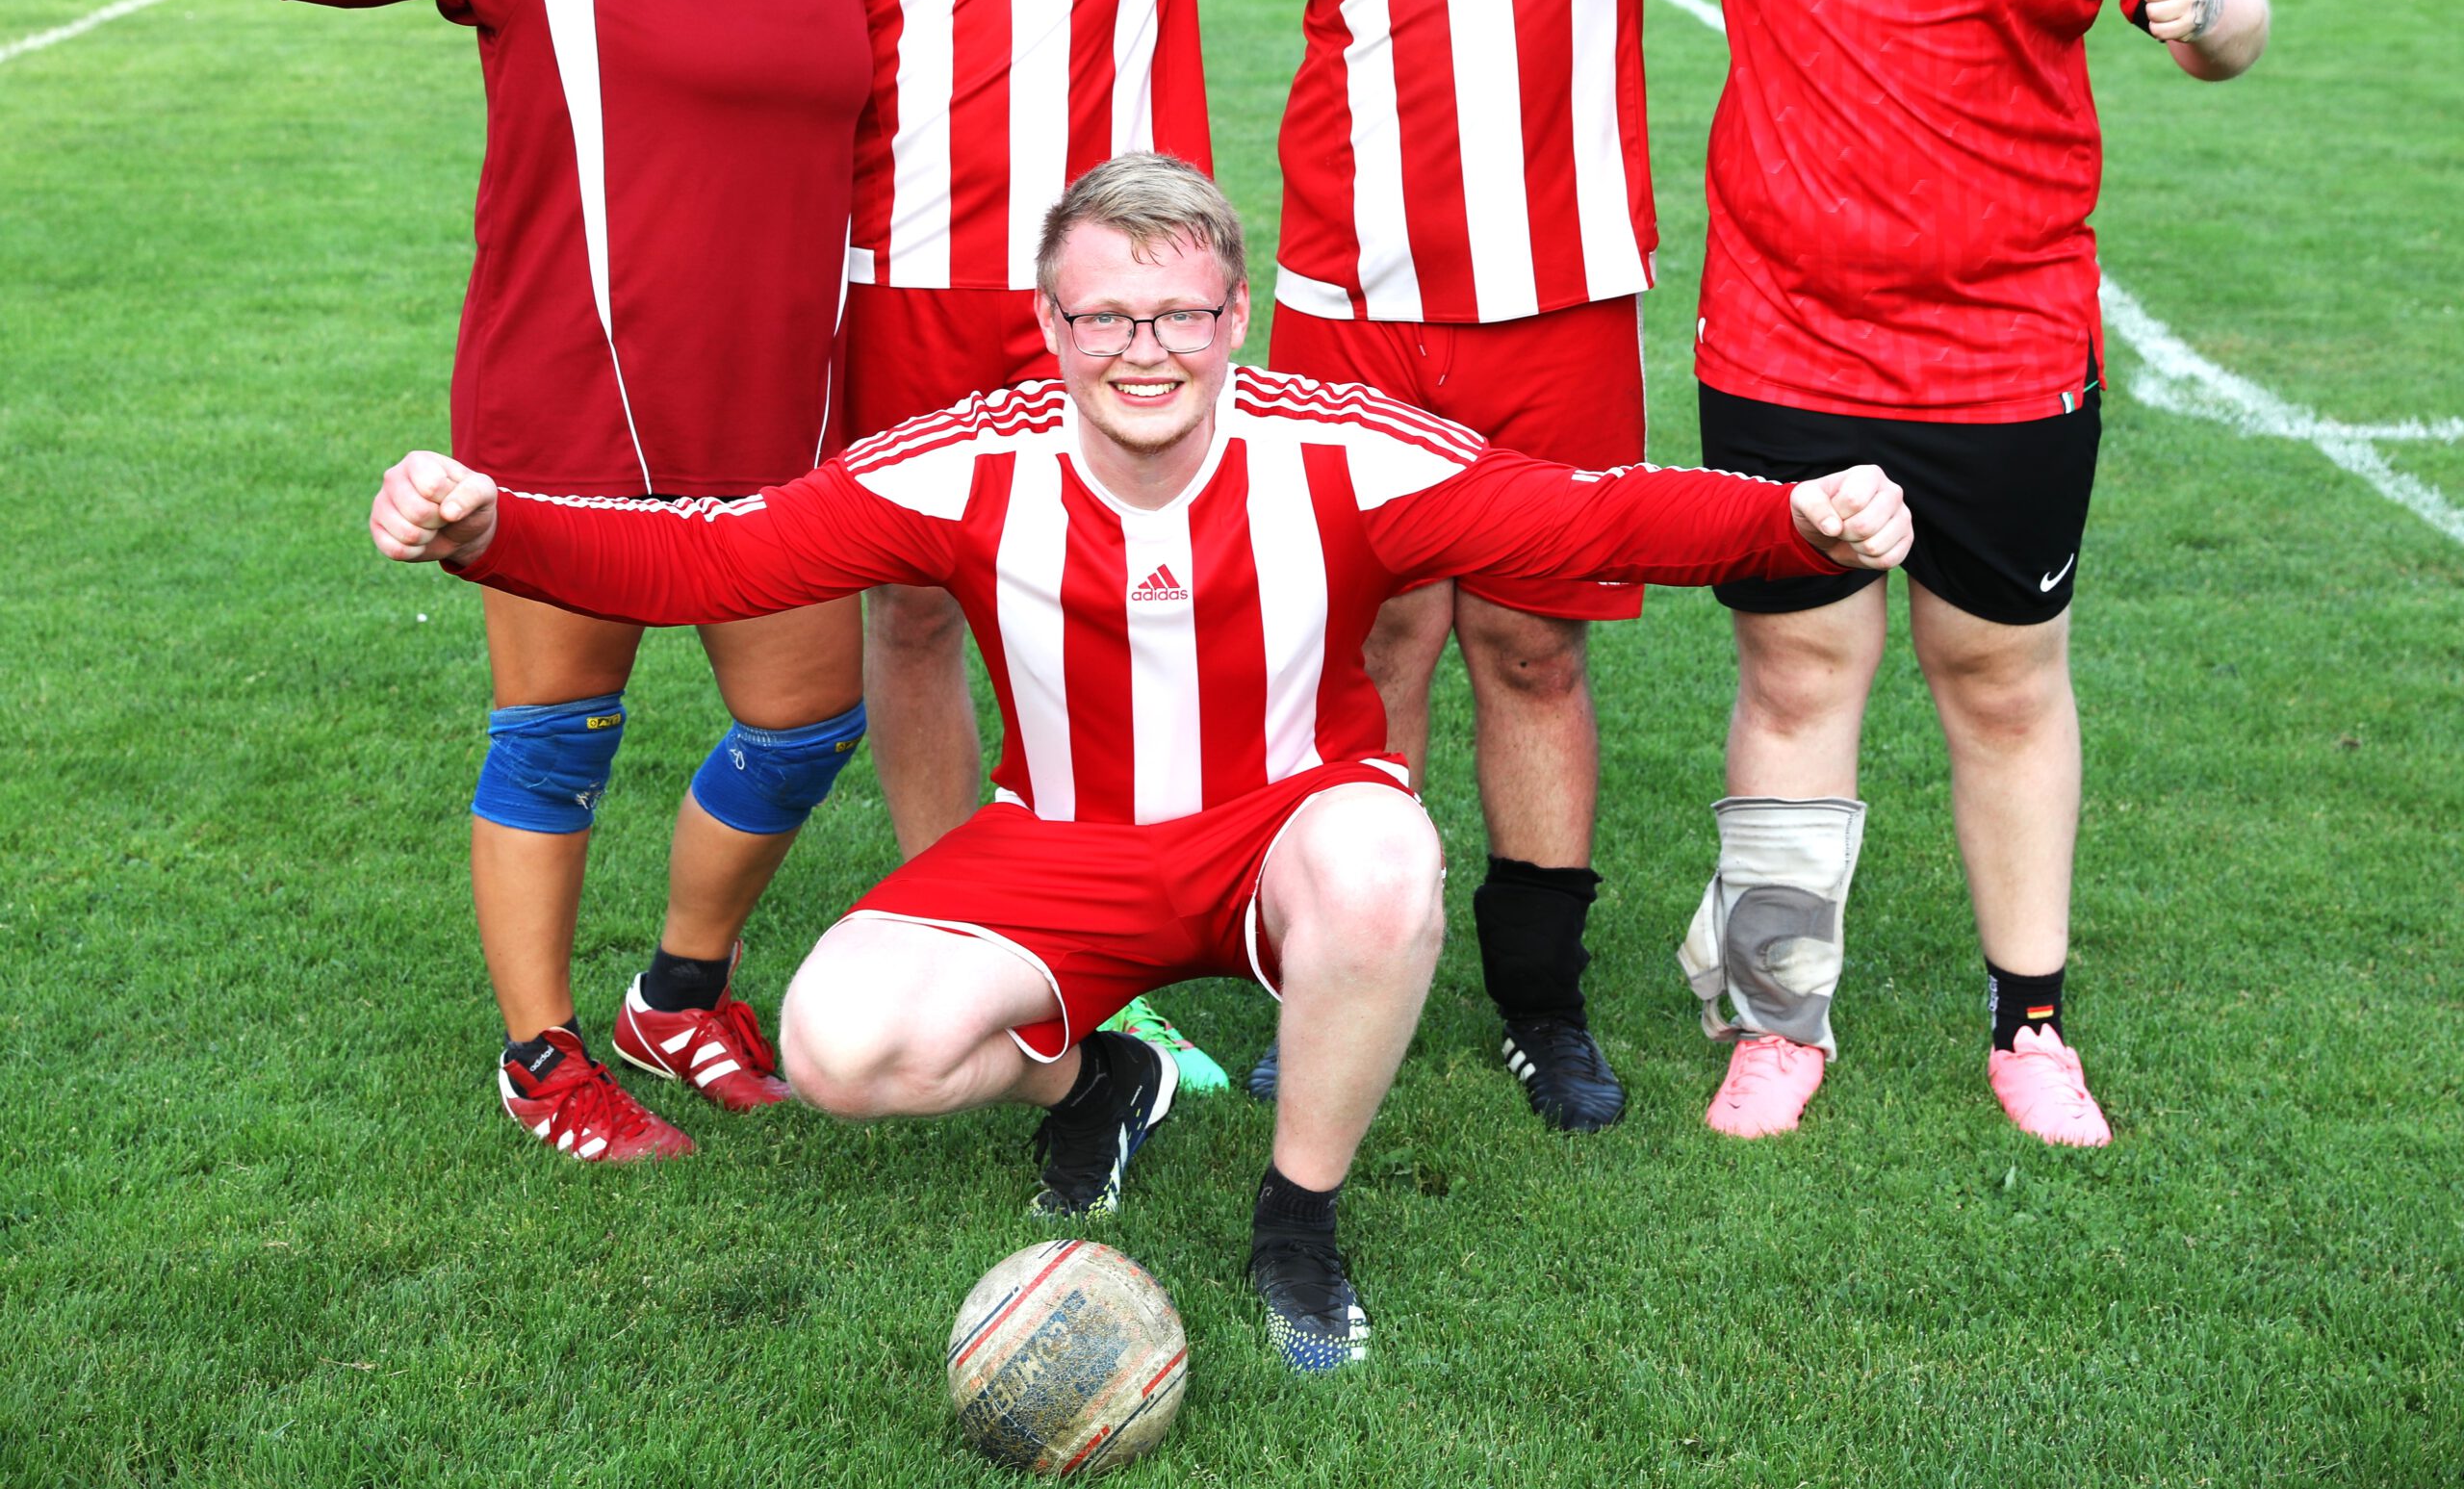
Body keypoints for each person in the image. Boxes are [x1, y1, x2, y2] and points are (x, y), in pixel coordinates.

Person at [424, 0, 1638, 1089]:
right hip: (907, 260)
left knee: (1156, 609)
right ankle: (991, 947)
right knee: (917, 621)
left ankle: (1185, 919)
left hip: (1135, 281)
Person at [367, 153, 1912, 1368]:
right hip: (1060, 847)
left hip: (1287, 831)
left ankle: (1296, 1217)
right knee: (841, 1045)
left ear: (1235, 314)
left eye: (1180, 312)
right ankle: (1097, 1063)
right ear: (1050, 327)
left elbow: (1586, 514)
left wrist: (1794, 520)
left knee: (1385, 861)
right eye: (1103, 314)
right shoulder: (968, 462)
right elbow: (726, 557)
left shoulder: (1343, 448)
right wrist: (496, 526)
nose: (1145, 347)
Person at [1194, 0, 2131, 1129]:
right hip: (1349, 302)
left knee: (1535, 653)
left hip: (1561, 291)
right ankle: (1333, 975)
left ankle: (1542, 1004)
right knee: (1372, 652)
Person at [81, 0, 880, 1164]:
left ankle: (678, 993)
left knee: (807, 725)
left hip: (782, 410)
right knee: (556, 734)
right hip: (574, 395)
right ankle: (540, 1058)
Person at [1651, 0, 2269, 1148]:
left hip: (2001, 346)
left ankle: (2032, 1025)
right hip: (1780, 333)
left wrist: (2199, 10)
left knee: (1999, 678)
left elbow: (2231, 15)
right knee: (1796, 680)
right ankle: (1782, 1019)